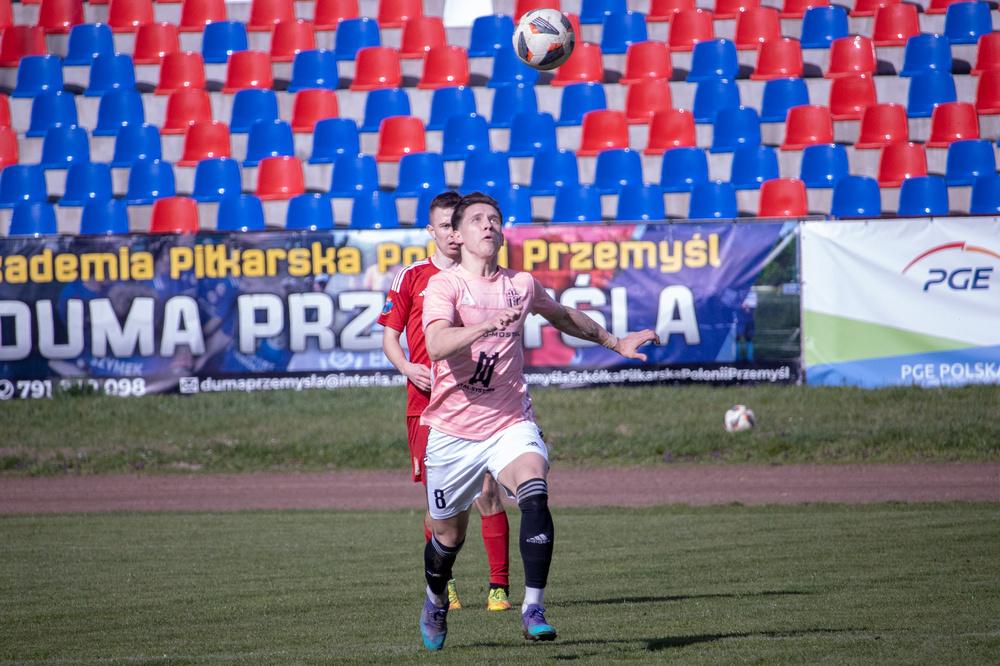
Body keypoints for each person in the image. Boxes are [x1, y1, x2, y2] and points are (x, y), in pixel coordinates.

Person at [417, 192, 659, 650]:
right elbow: (436, 344)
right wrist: (482, 329)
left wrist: (614, 341)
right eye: (477, 220)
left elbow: (563, 316)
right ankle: (434, 599)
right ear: (460, 234)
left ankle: (533, 607)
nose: (488, 225)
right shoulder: (445, 286)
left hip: (510, 419)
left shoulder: (521, 284)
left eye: (495, 219)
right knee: (447, 538)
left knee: (534, 489)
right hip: (452, 432)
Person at [377, 191, 513, 613]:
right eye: (443, 227)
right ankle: (444, 586)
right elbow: (389, 336)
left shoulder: (485, 277)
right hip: (427, 405)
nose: (452, 235)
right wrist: (407, 368)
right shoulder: (412, 277)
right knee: (441, 504)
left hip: (480, 402)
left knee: (489, 491)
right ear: (433, 231)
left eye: (457, 225)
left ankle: (499, 588)